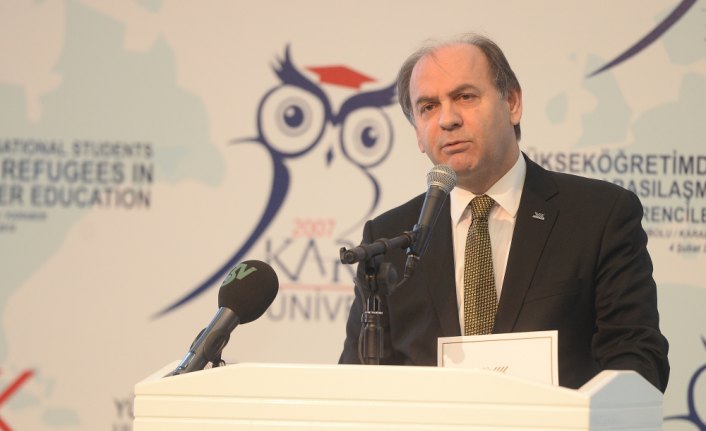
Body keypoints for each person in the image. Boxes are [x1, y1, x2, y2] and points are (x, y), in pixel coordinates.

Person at [339, 32, 670, 392]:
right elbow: (356, 380)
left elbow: (637, 359)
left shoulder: (598, 216)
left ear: (512, 103)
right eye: (428, 107)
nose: (447, 119)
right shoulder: (388, 238)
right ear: (418, 134)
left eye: (465, 97)